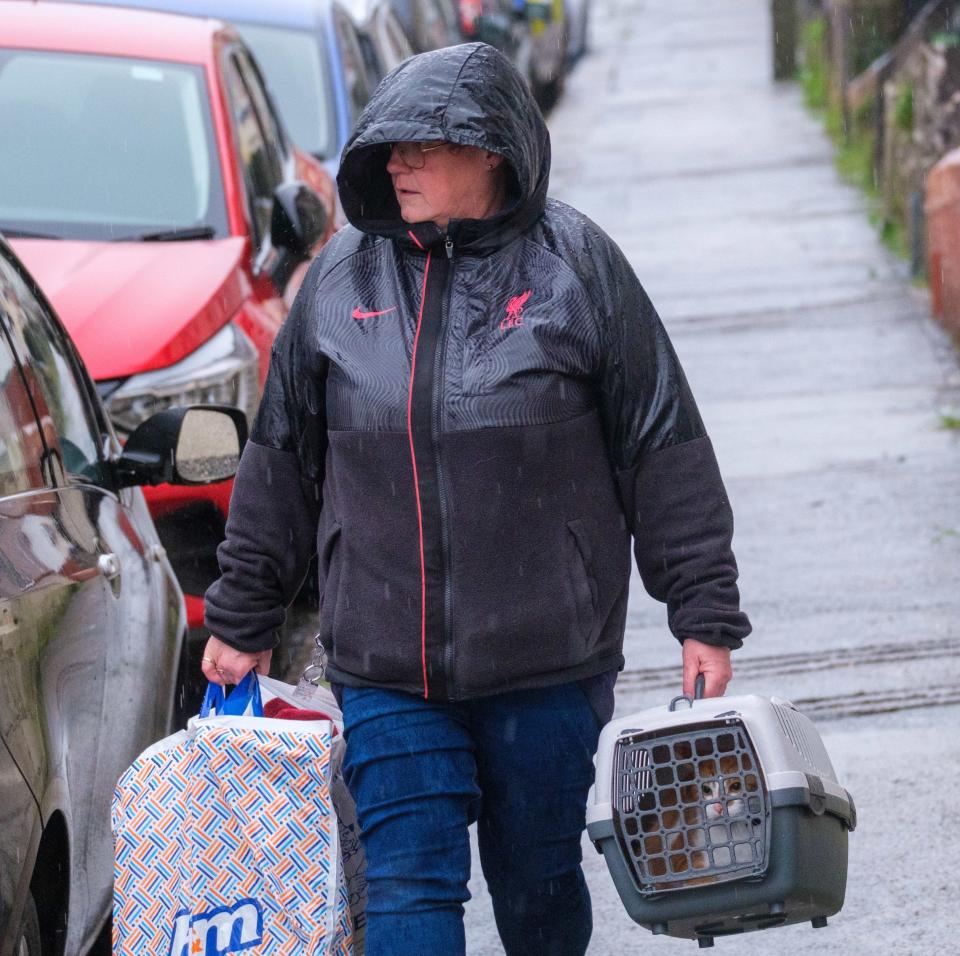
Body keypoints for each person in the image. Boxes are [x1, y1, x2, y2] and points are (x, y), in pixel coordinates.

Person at [201, 42, 751, 956]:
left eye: (420, 145)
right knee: (409, 885)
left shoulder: (577, 266)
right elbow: (281, 461)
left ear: (489, 150)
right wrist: (242, 615)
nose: (395, 165)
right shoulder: (340, 282)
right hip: (385, 666)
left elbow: (662, 443)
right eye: (385, 149)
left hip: (547, 663)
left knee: (537, 884)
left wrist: (704, 614)